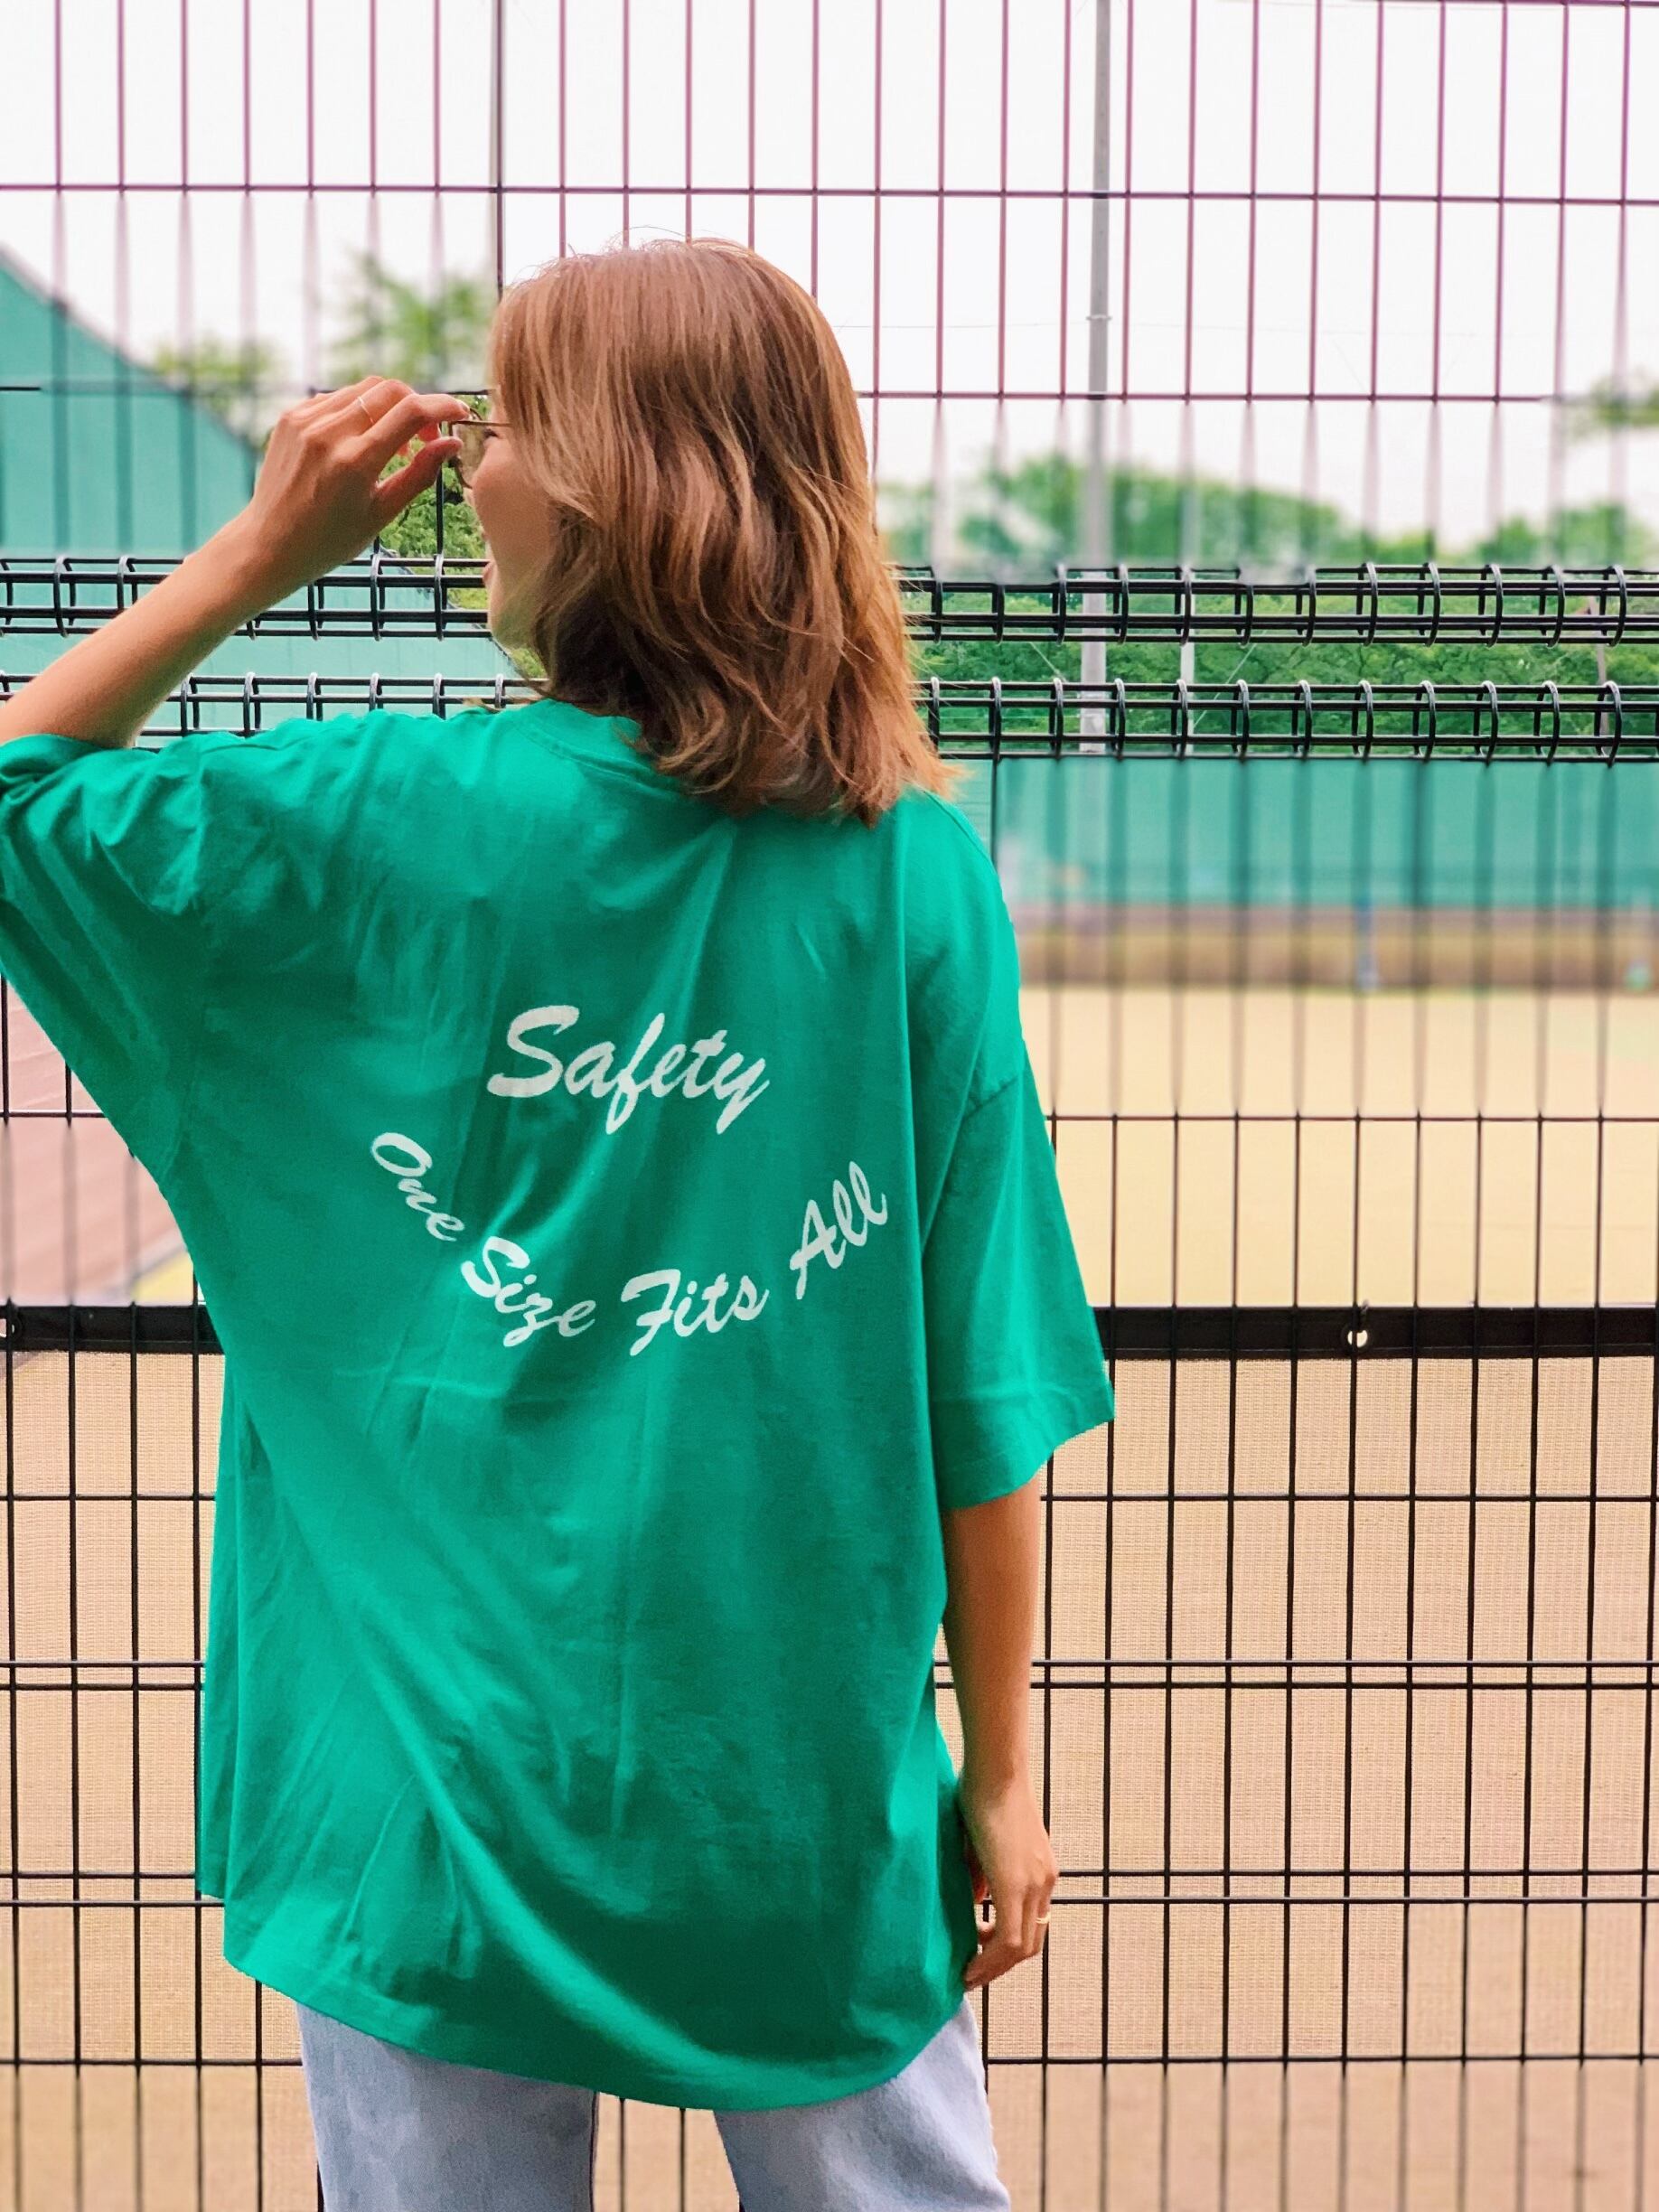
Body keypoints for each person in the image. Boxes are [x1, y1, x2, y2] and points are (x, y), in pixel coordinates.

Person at [0, 236, 1114, 2209]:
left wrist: (256, 553)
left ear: (611, 485)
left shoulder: (366, 821)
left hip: (420, 1797)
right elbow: (982, 1386)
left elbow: (19, 797)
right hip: (790, 1794)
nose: (467, 466)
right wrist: (1002, 1777)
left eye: (506, 424)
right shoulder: (912, 878)